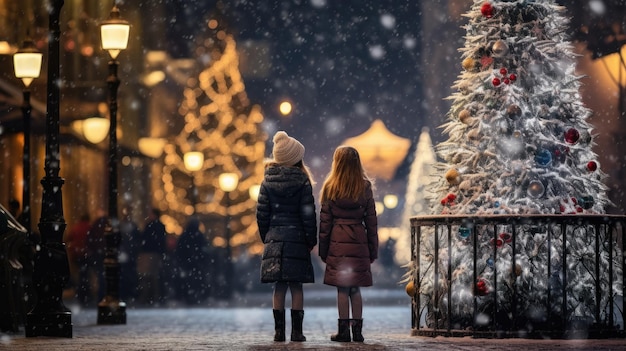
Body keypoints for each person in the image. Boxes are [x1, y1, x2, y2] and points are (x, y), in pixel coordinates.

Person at [256, 131, 317, 342]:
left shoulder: (266, 182)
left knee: (279, 286)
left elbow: (262, 214)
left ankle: (278, 332)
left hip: (275, 239)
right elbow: (308, 214)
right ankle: (297, 332)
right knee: (296, 286)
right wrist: (311, 239)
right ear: (295, 159)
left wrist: (268, 237)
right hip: (297, 239)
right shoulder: (303, 182)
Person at [318, 145, 378, 343]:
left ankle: (343, 331)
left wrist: (324, 250)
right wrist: (372, 249)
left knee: (342, 289)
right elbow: (371, 222)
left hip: (338, 242)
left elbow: (325, 224)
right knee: (355, 289)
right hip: (359, 241)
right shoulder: (365, 187)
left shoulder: (330, 187)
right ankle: (358, 331)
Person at [175, 216, 210, 305]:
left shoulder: (185, 234)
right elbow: (203, 248)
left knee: (187, 280)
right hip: (196, 262)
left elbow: (180, 248)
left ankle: (188, 296)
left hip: (188, 261)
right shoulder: (199, 235)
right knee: (196, 280)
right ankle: (195, 296)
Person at [137, 208, 167, 306]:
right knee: (154, 277)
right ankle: (155, 297)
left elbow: (145, 239)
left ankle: (148, 297)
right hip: (155, 254)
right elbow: (162, 241)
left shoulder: (150, 226)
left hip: (149, 254)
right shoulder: (159, 226)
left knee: (148, 277)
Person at [64, 213, 91, 304]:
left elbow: (68, 239)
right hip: (86, 254)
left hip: (76, 254)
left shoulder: (76, 227)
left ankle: (81, 294)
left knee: (80, 275)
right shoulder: (89, 228)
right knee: (85, 275)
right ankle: (84, 295)